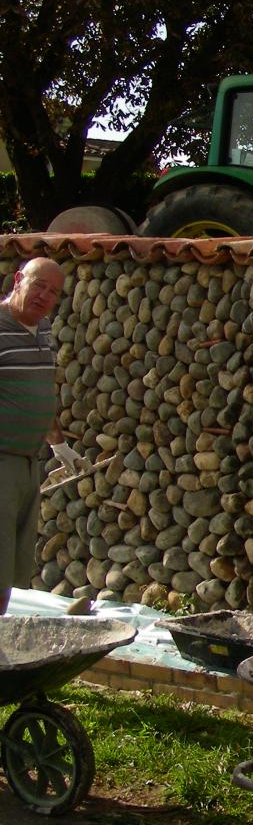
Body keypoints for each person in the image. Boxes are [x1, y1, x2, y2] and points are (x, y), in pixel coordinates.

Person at [1, 257, 88, 615]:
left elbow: (40, 389)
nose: (45, 296)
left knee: (11, 568)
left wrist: (59, 444)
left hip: (27, 462)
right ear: (19, 279)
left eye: (53, 292)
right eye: (39, 285)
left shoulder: (44, 328)